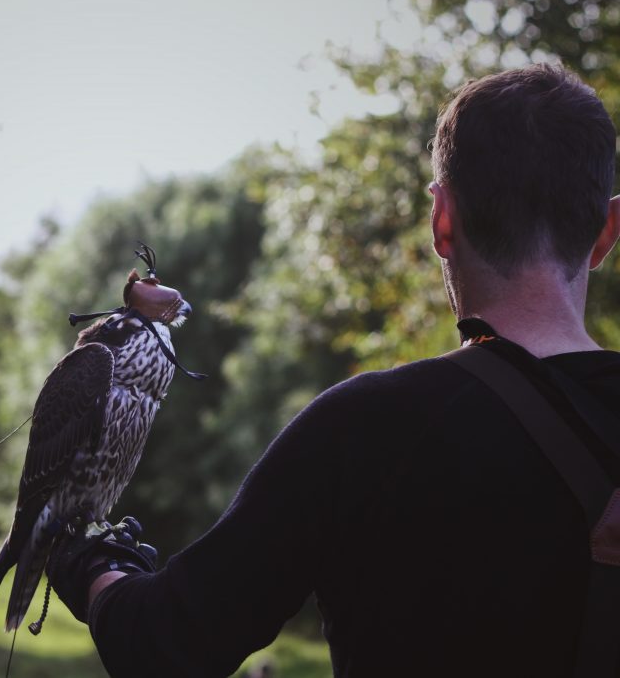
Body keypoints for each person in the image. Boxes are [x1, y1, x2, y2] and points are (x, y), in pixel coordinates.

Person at [47, 63, 620, 677]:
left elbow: (163, 646)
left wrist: (89, 562)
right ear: (607, 231)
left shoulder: (366, 429)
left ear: (441, 220)